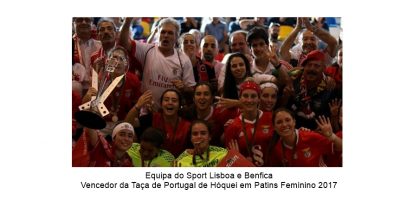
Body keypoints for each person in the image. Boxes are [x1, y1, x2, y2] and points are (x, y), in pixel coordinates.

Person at [120, 17, 196, 111]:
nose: (166, 35)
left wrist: (184, 88)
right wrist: (127, 21)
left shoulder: (184, 60)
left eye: (170, 33)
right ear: (158, 34)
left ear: (176, 37)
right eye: (163, 32)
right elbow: (123, 44)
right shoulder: (146, 50)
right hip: (146, 111)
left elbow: (192, 91)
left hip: (171, 113)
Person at [81, 46, 141, 136]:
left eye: (121, 59)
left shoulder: (133, 80)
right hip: (101, 121)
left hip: (122, 121)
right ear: (108, 62)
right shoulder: (100, 79)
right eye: (114, 58)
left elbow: (135, 104)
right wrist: (88, 97)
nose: (118, 62)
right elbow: (85, 106)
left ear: (126, 64)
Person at [263, 108, 342, 167]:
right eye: (279, 122)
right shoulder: (276, 147)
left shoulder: (310, 137)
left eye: (287, 120)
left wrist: (332, 136)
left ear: (294, 122)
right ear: (274, 127)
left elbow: (341, 147)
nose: (284, 124)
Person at [125, 89, 191, 157]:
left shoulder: (188, 126)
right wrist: (137, 106)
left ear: (180, 105)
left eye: (174, 100)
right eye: (166, 100)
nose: (170, 102)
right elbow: (126, 125)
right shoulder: (151, 118)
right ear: (161, 104)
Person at [224, 78, 274, 166]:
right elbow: (230, 162)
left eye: (253, 96)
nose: (249, 100)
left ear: (259, 99)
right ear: (240, 98)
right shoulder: (233, 127)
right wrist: (236, 157)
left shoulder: (272, 118)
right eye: (245, 96)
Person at [286, 50, 335, 129]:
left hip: (316, 131)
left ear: (324, 69)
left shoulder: (329, 87)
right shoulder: (293, 79)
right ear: (304, 67)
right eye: (309, 65)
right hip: (292, 128)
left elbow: (327, 117)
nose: (312, 69)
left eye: (316, 66)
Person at [183, 82, 225, 147]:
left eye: (206, 94)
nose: (202, 97)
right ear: (193, 98)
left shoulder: (221, 115)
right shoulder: (186, 114)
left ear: (211, 98)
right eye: (198, 94)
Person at [72, 17, 101, 92]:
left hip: (98, 88)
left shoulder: (100, 45)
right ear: (73, 24)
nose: (84, 22)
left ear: (92, 24)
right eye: (80, 20)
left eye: (87, 20)